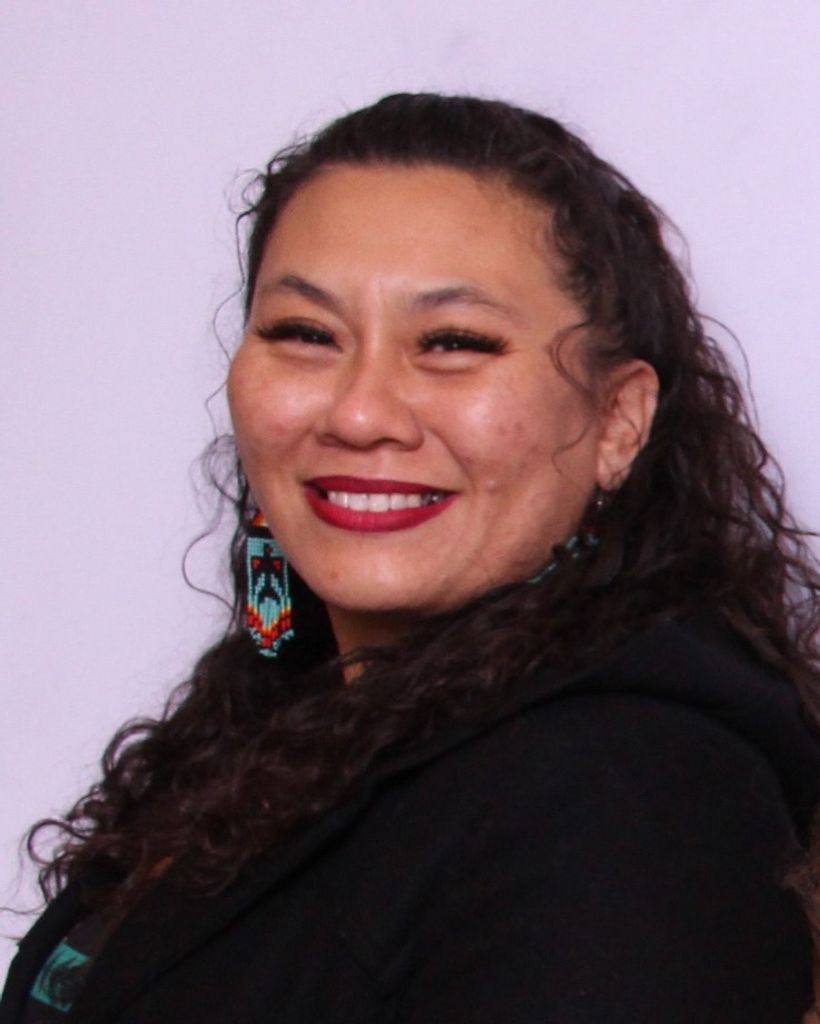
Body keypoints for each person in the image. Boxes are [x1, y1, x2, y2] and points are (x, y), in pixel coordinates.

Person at [3, 92, 820, 1024]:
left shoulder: (628, 794)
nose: (359, 413)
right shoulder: (293, 717)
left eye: (453, 344)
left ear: (617, 419)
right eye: (305, 334)